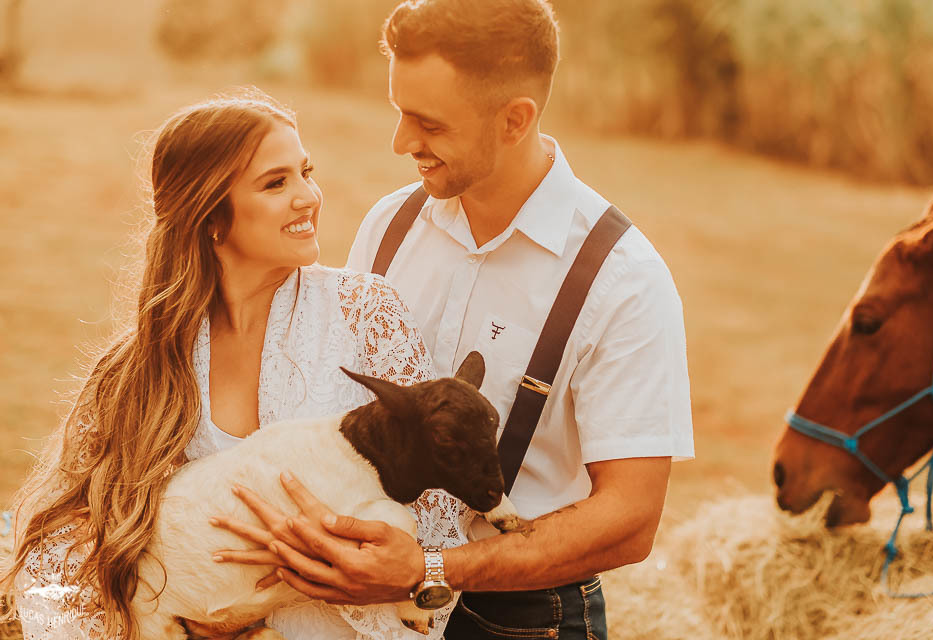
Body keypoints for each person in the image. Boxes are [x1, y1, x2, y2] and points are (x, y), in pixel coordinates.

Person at [211, 1, 695, 638]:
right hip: (359, 607)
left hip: (521, 619)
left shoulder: (621, 278)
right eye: (399, 113)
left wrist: (430, 566)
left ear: (515, 119)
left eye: (428, 124)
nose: (401, 142)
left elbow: (631, 520)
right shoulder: (389, 226)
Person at [0, 88, 469, 640]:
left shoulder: (368, 314)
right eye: (276, 183)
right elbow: (61, 549)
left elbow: (442, 511)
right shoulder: (138, 368)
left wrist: (378, 571)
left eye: (305, 172)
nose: (309, 197)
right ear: (211, 216)